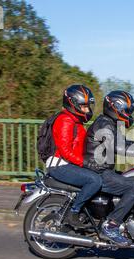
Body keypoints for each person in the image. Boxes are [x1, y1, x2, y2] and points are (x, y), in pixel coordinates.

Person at [84, 90, 134, 245]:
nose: (129, 114)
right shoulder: (104, 124)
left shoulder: (109, 123)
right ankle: (111, 225)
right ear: (116, 108)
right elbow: (119, 148)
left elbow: (126, 143)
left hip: (102, 169)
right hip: (97, 172)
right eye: (127, 111)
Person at [46, 85, 102, 226]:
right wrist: (86, 163)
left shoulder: (75, 121)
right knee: (94, 181)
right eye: (84, 106)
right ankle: (74, 212)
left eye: (88, 106)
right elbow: (65, 151)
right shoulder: (66, 120)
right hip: (60, 165)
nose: (87, 110)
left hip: (68, 163)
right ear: (73, 104)